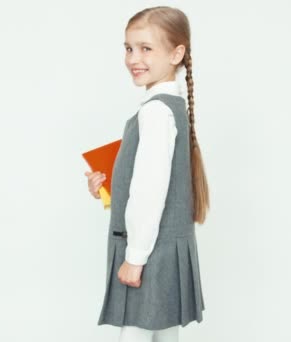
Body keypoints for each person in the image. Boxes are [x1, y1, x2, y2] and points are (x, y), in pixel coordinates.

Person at [84, 6, 210, 342]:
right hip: (166, 249)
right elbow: (155, 183)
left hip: (148, 252)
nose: (133, 58)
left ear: (176, 53)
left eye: (146, 48)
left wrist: (134, 258)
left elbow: (150, 193)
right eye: (128, 48)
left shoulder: (155, 112)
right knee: (165, 335)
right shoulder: (171, 108)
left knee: (136, 335)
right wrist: (109, 185)